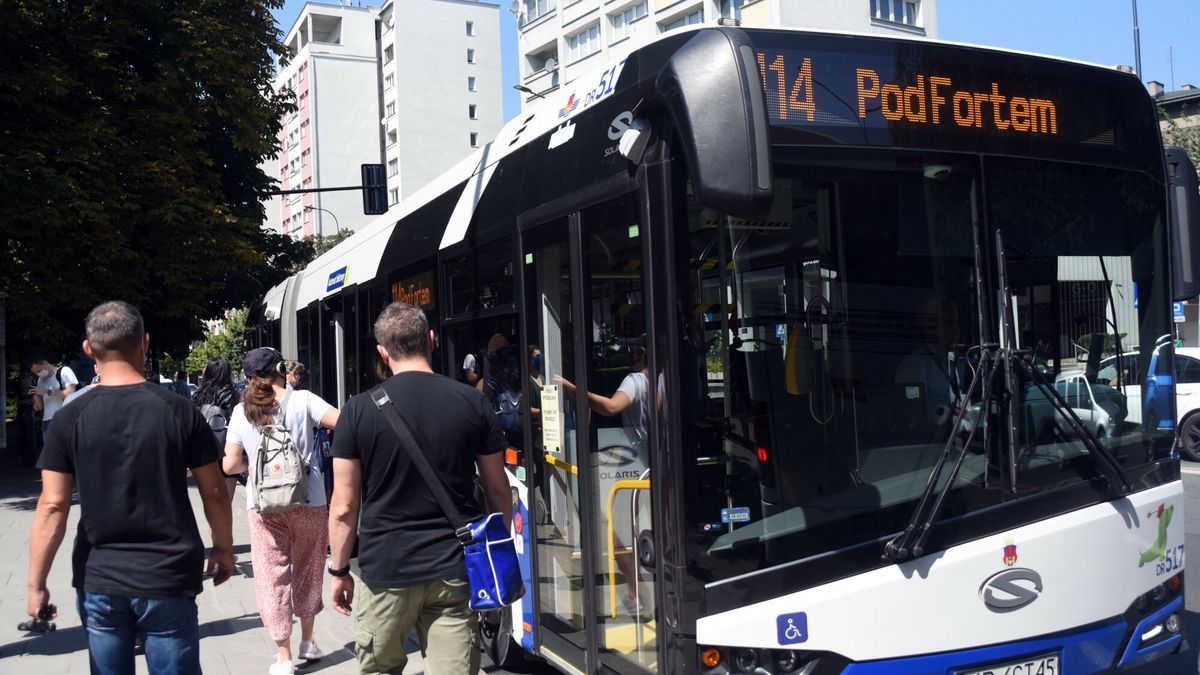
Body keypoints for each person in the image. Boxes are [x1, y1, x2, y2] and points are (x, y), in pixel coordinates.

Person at [27, 301, 233, 675]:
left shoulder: (69, 418)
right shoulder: (180, 411)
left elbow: (53, 505)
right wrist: (222, 547)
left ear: (89, 350)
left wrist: (36, 584)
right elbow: (215, 491)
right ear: (146, 343)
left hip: (100, 575)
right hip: (168, 574)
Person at [328, 302, 511, 675]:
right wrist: (499, 550)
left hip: (386, 573)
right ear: (431, 340)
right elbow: (497, 488)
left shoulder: (358, 411)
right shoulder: (472, 402)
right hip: (453, 571)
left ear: (382, 351)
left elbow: (345, 506)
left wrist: (340, 569)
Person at [223, 347, 339, 675]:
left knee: (272, 577)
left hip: (263, 506)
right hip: (310, 500)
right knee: (308, 568)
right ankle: (309, 641)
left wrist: (252, 466)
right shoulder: (304, 401)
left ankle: (284, 658)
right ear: (280, 369)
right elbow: (343, 422)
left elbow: (230, 464)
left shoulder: (239, 411)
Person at [894, 297, 964, 429]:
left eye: (955, 322)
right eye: (948, 323)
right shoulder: (914, 365)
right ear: (928, 327)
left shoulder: (965, 361)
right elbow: (917, 417)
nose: (954, 329)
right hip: (934, 443)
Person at [193, 358, 241, 503]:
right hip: (225, 451)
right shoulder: (231, 395)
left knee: (211, 505)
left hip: (204, 454)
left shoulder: (198, 396)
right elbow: (236, 423)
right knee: (224, 505)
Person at [27, 357, 79, 462]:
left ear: (45, 363)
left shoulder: (64, 371)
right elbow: (40, 407)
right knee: (53, 458)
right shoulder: (40, 380)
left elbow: (71, 392)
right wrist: (35, 395)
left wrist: (48, 392)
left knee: (69, 454)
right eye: (36, 373)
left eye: (39, 371)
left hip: (64, 419)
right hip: (47, 421)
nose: (38, 374)